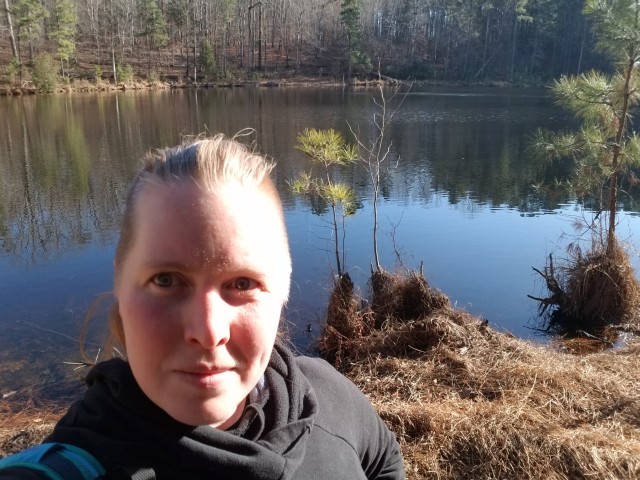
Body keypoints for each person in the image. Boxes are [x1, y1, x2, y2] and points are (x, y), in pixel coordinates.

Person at [1, 134, 404, 479]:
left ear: (283, 292)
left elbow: (385, 457)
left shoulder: (329, 396)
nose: (209, 331)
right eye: (166, 280)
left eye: (242, 283)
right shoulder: (74, 465)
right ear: (119, 286)